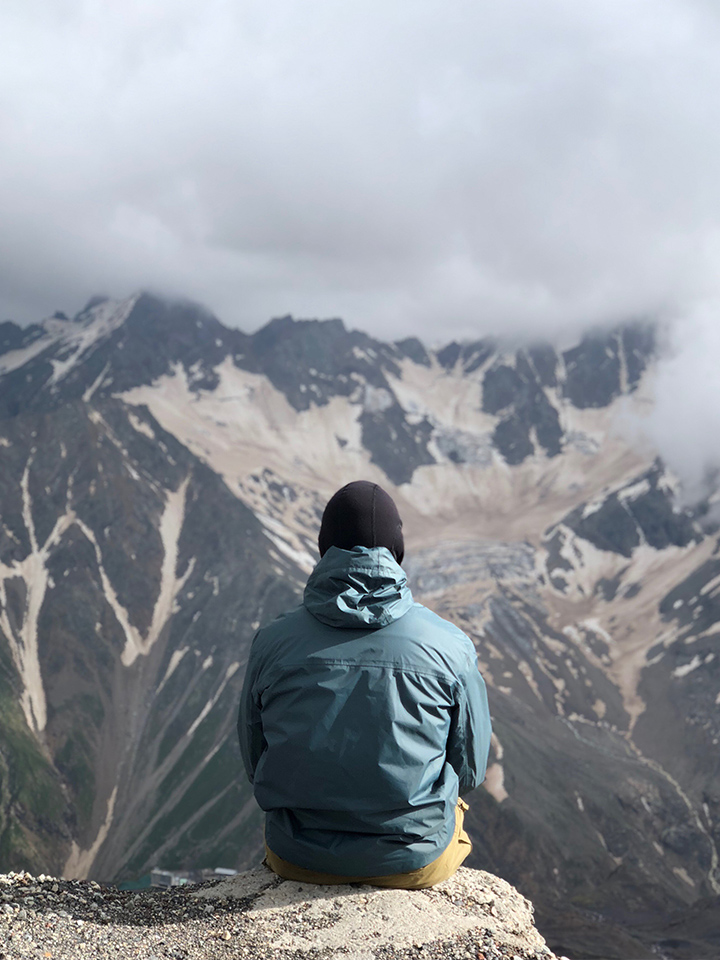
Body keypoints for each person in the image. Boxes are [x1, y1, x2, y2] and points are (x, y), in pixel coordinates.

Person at [238, 480, 491, 888]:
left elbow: (255, 762)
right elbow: (471, 771)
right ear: (398, 550)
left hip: (298, 856)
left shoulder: (272, 641)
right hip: (413, 862)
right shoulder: (450, 645)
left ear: (325, 547)